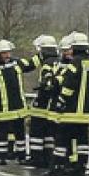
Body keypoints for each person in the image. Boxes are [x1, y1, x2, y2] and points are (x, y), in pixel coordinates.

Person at [0, 39, 40, 165]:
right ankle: (2, 156)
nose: (7, 55)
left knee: (20, 134)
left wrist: (43, 53)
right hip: (3, 109)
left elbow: (30, 64)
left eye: (8, 52)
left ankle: (21, 155)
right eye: (4, 53)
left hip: (19, 108)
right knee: (2, 135)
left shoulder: (16, 63)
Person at [45, 32, 89, 176]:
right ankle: (80, 169)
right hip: (84, 112)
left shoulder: (75, 63)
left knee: (62, 140)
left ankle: (57, 168)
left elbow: (69, 85)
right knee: (82, 141)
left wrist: (61, 101)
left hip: (71, 111)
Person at [26, 35, 60, 168]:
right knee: (49, 133)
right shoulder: (58, 61)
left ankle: (36, 158)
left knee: (36, 131)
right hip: (52, 104)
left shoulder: (46, 65)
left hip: (43, 103)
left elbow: (47, 82)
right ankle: (48, 157)